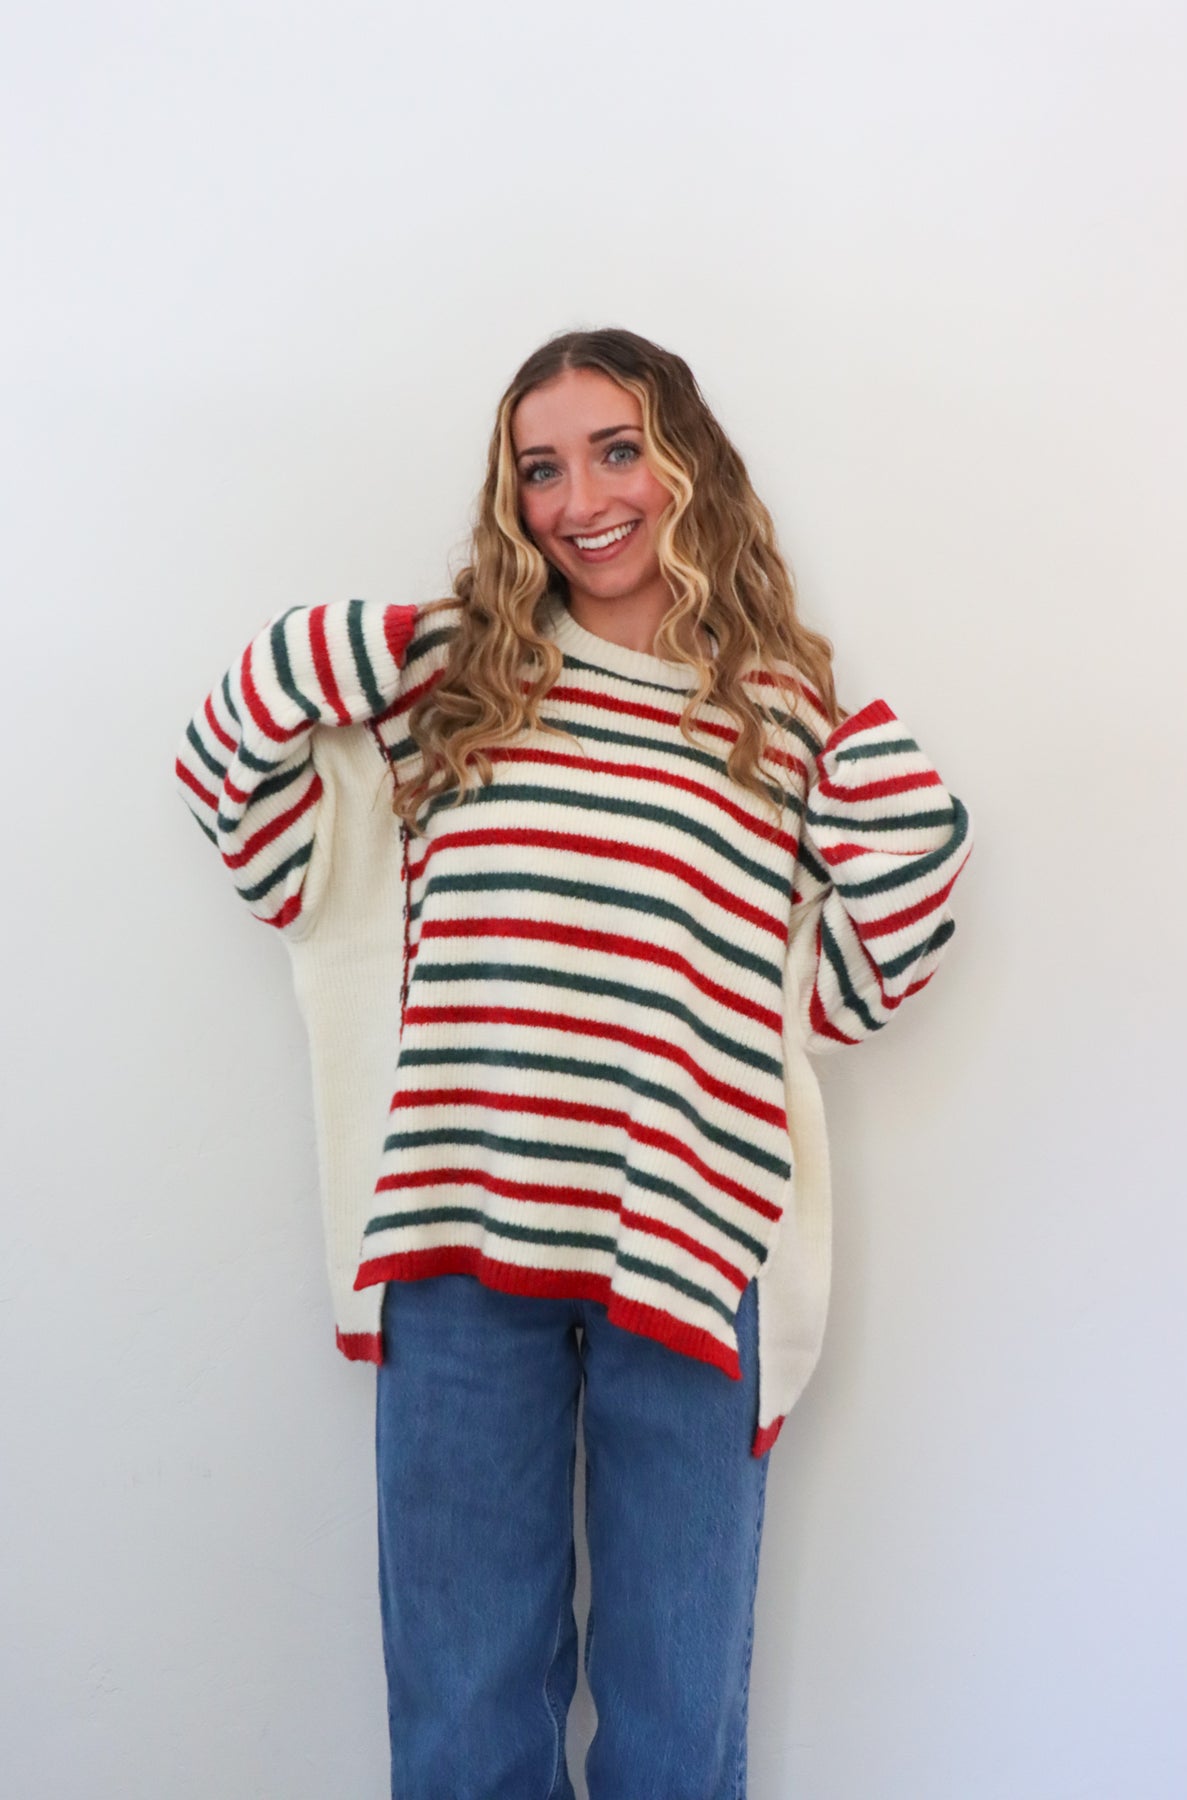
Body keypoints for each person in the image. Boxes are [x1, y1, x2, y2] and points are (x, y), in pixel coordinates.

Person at [173, 326, 974, 1799]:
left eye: (614, 450)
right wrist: (329, 649)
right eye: (539, 467)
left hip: (686, 1232)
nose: (580, 496)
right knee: (467, 1713)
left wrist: (873, 777)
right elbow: (249, 815)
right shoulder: (455, 690)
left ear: (685, 465)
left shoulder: (778, 719)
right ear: (510, 496)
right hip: (458, 1234)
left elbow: (857, 985)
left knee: (677, 1719)